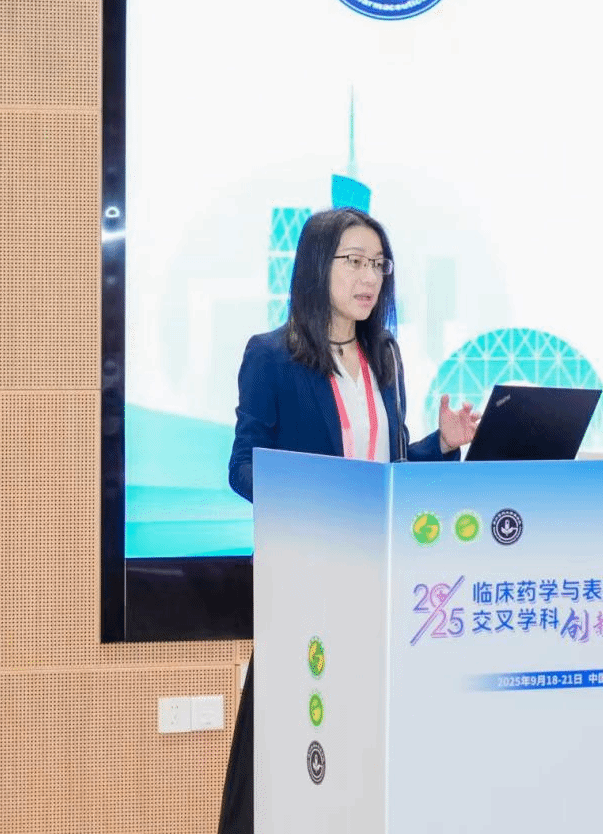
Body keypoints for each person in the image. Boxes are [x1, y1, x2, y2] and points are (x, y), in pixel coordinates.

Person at [217, 207, 480, 834]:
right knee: (290, 739)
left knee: (363, 744)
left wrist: (441, 445)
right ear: (317, 265)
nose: (369, 278)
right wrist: (316, 498)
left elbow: (387, 469)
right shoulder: (272, 356)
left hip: (377, 579)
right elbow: (242, 466)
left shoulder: (383, 355)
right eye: (355, 262)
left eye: (379, 265)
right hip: (304, 576)